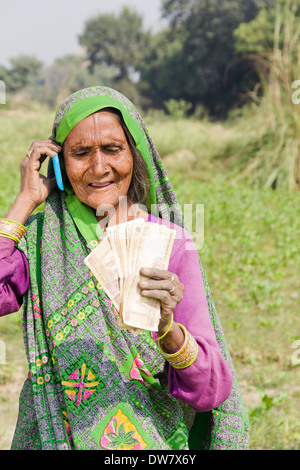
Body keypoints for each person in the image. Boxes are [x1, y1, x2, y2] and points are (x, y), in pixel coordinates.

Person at [0, 86, 249, 450]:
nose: (99, 168)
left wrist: (167, 330)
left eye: (113, 150)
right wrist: (25, 200)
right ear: (58, 164)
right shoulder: (41, 238)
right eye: (80, 153)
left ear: (135, 154)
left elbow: (210, 387)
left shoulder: (171, 243)